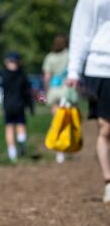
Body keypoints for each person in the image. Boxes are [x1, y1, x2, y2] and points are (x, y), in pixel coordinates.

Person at [66, 0, 110, 202]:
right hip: (100, 67)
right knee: (106, 128)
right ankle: (108, 180)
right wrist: (74, 69)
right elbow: (80, 32)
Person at [42, 34, 70, 163]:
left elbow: (47, 77)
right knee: (65, 121)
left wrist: (46, 92)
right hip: (67, 91)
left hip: (54, 90)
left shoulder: (50, 57)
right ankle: (64, 147)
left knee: (57, 120)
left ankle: (58, 149)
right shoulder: (69, 55)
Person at [2, 52, 33, 162]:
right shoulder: (22, 75)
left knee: (9, 128)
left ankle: (12, 152)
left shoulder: (4, 74)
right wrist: (31, 106)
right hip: (18, 105)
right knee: (19, 126)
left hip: (9, 106)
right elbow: (27, 92)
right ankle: (21, 146)